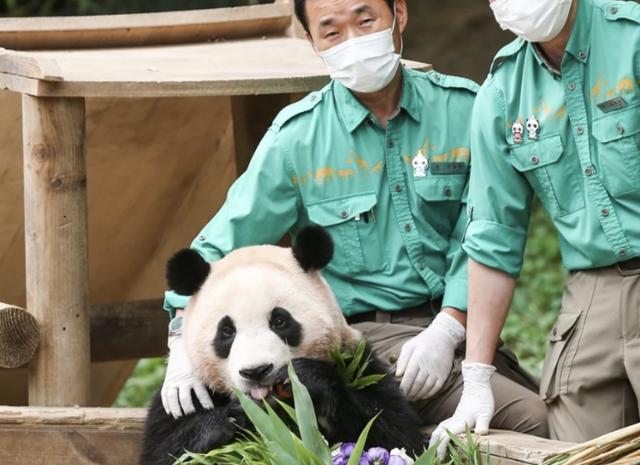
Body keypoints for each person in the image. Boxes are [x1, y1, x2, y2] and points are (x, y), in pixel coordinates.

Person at [160, 0, 548, 441]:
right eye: (331, 32)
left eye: (366, 21)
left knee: (550, 409)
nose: (354, 42)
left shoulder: (464, 109)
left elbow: (482, 229)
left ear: (398, 14)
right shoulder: (298, 138)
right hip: (360, 339)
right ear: (311, 41)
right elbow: (213, 250)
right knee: (531, 420)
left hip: (461, 328)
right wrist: (181, 342)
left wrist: (448, 328)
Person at [431, 0, 640, 455]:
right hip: (594, 287)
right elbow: (492, 236)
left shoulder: (632, 36)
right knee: (577, 449)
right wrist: (476, 378)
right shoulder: (504, 91)